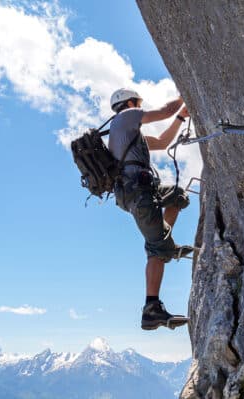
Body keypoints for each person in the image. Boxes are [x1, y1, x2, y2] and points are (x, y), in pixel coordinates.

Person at [108, 88, 193, 330]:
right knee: (156, 249)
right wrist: (182, 92)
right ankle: (151, 308)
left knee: (177, 196)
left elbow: (164, 142)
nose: (139, 107)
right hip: (139, 196)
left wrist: (180, 117)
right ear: (130, 103)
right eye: (137, 103)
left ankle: (167, 244)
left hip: (143, 192)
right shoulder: (125, 118)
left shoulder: (130, 136)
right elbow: (165, 111)